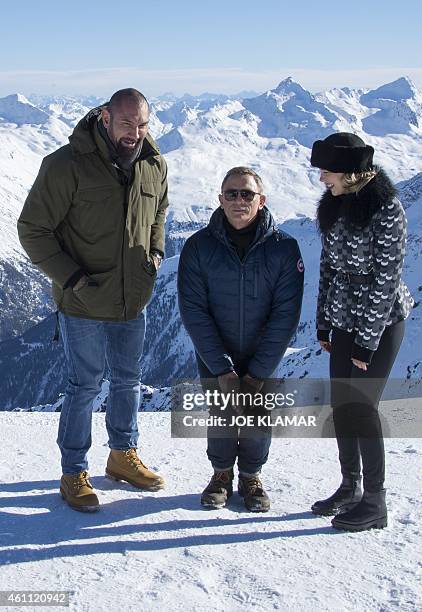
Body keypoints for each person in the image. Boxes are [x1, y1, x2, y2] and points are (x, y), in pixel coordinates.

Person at [18, 88, 168, 512]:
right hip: (83, 300)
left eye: (141, 125)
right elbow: (32, 228)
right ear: (104, 117)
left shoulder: (154, 163)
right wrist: (72, 277)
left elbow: (159, 212)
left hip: (132, 298)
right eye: (126, 123)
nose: (134, 133)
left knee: (128, 382)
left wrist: (155, 253)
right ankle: (73, 473)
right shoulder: (66, 165)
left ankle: (122, 455)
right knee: (84, 386)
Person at [178, 166, 304, 512]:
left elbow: (285, 315)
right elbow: (193, 310)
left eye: (246, 194)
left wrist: (258, 372)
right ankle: (221, 474)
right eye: (231, 193)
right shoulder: (198, 247)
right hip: (215, 352)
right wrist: (222, 367)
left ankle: (251, 477)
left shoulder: (285, 249)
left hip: (263, 355)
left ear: (261, 201)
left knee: (257, 415)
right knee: (221, 413)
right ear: (219, 200)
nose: (238, 200)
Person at [310, 133, 414, 531]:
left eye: (327, 171)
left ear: (351, 173)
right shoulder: (337, 203)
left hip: (380, 322)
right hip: (344, 317)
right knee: (342, 406)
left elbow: (385, 281)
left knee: (363, 409)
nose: (322, 179)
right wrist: (323, 320)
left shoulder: (387, 209)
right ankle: (349, 487)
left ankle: (375, 502)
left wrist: (367, 343)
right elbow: (329, 266)